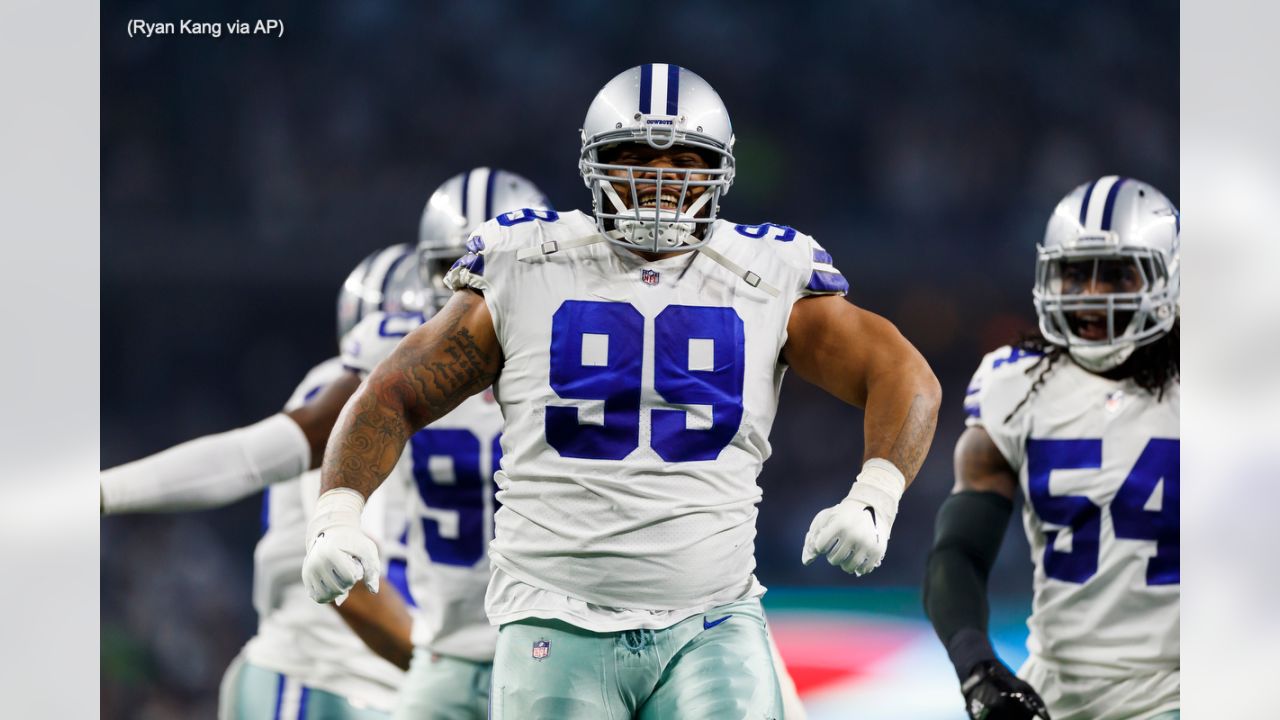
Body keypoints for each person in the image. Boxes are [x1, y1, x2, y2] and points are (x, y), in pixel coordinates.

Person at [302, 63, 940, 719]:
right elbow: (393, 393)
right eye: (634, 157)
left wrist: (876, 493)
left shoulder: (767, 270)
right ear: (591, 164)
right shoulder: (527, 261)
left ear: (719, 171)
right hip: (555, 612)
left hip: (711, 618)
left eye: (682, 159)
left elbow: (901, 372)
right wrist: (337, 512)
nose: (659, 180)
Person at [101, 168, 554, 719]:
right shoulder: (389, 375)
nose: (475, 289)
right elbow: (254, 458)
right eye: (451, 269)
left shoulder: (560, 366)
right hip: (330, 677)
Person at [102, 246, 423, 719]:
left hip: (382, 687)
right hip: (328, 679)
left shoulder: (485, 413)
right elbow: (345, 570)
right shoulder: (353, 393)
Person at [923, 176, 1180, 720]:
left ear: (1169, 276)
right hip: (1054, 695)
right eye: (1074, 273)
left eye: (1114, 274)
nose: (1090, 295)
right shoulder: (1015, 383)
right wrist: (978, 667)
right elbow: (959, 551)